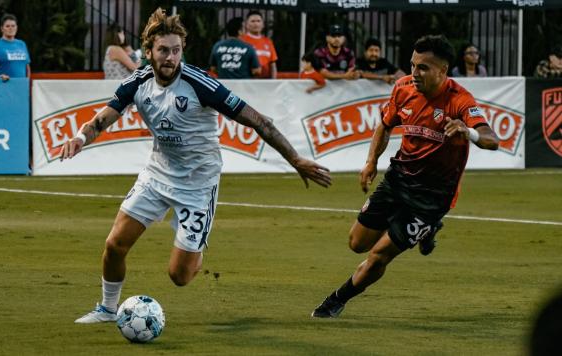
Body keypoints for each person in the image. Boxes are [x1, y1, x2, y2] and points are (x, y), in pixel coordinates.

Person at [62, 8, 332, 324]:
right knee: (114, 244)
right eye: (163, 50)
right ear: (149, 52)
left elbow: (259, 121)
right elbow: (102, 119)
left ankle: (196, 250)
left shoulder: (200, 84)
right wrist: (80, 138)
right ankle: (108, 309)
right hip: (157, 174)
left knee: (179, 277)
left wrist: (295, 159)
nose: (170, 57)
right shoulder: (139, 82)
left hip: (197, 184)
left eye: (176, 50)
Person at [311, 35, 499, 318]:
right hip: (398, 179)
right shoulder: (402, 89)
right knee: (357, 244)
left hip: (432, 198)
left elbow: (491, 139)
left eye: (423, 67)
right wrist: (370, 162)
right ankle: (423, 230)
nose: (414, 73)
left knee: (379, 256)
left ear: (443, 71)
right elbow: (385, 126)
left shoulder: (459, 100)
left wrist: (467, 131)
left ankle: (336, 300)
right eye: (412, 65)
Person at [0, 14, 30, 81]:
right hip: (4, 86)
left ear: (17, 27)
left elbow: (27, 66)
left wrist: (27, 82)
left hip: (21, 86)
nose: (11, 28)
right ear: (2, 29)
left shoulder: (22, 44)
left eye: (13, 26)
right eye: (7, 26)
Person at [239, 11, 278, 79]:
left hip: (265, 81)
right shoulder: (241, 40)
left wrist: (273, 81)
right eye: (253, 21)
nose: (256, 24)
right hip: (247, 80)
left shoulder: (268, 41)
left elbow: (273, 64)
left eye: (258, 21)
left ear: (263, 24)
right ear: (246, 24)